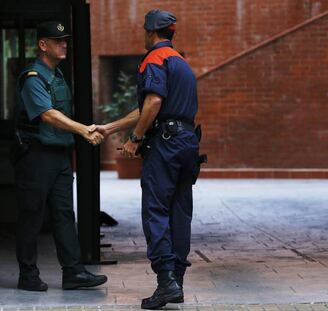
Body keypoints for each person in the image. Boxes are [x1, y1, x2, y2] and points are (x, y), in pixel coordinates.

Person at [96, 9, 200, 309]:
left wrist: (136, 139)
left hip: (164, 146)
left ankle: (165, 281)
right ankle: (176, 281)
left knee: (155, 211)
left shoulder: (155, 58)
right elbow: (151, 106)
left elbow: (153, 101)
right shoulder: (181, 63)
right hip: (187, 143)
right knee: (180, 213)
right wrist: (111, 127)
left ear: (150, 32)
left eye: (144, 31)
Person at [13, 21, 107, 292]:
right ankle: (27, 275)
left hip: (59, 156)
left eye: (65, 39)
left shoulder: (57, 75)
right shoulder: (33, 77)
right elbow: (48, 114)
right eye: (57, 40)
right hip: (36, 156)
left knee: (65, 213)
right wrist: (84, 130)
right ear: (43, 45)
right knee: (32, 213)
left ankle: (73, 272)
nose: (64, 44)